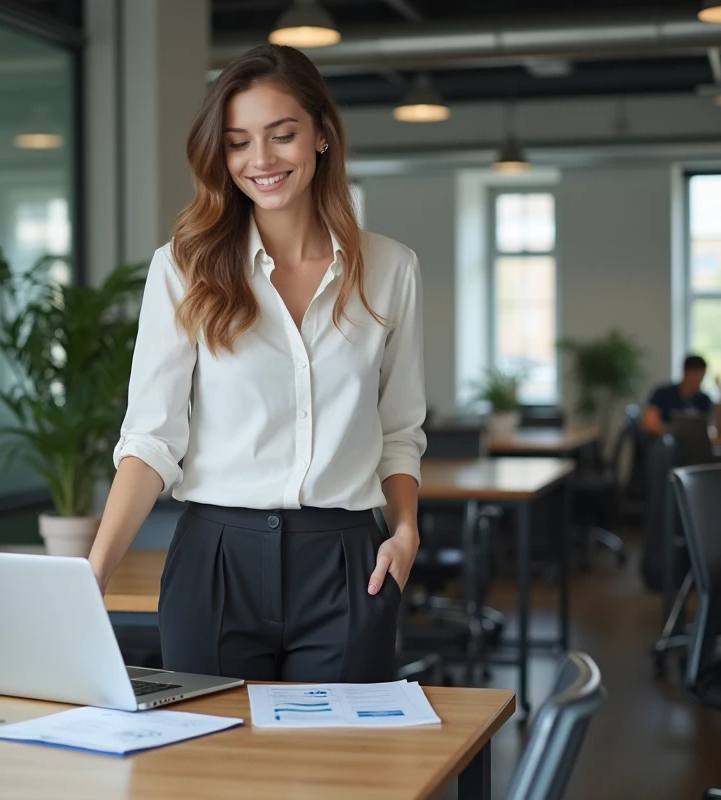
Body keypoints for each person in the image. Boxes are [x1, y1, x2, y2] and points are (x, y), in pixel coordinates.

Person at [86, 44, 426, 684]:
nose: (260, 161)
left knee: (338, 777)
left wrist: (404, 530)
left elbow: (400, 429)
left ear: (321, 135)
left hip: (348, 559)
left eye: (282, 135)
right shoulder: (183, 269)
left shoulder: (391, 270)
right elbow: (152, 439)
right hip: (216, 559)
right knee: (211, 771)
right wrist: (94, 571)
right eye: (238, 142)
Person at [641, 354, 721, 437]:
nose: (698, 379)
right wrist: (671, 432)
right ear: (685, 373)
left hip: (694, 443)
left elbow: (720, 423)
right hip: (665, 442)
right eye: (694, 374)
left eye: (701, 376)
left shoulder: (704, 399)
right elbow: (649, 423)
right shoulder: (663, 393)